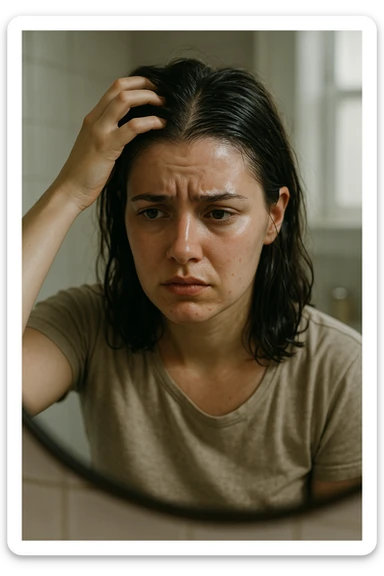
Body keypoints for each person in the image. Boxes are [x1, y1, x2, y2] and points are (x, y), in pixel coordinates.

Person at [22, 57, 362, 511]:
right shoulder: (88, 325)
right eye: (152, 212)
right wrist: (68, 191)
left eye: (218, 213)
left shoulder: (341, 373)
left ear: (273, 216)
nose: (182, 248)